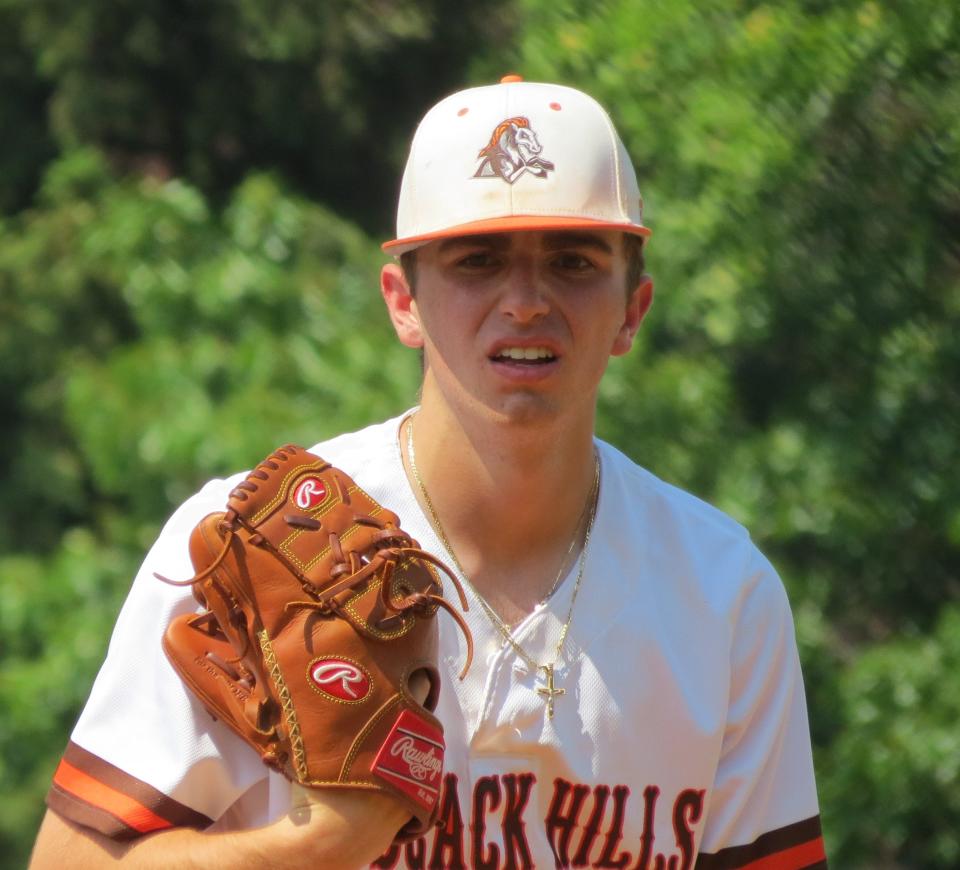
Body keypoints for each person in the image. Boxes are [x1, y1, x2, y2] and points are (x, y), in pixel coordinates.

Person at [30, 75, 827, 869]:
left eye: (573, 262)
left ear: (633, 310)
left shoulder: (724, 596)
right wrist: (320, 846)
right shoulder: (251, 545)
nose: (525, 301)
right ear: (402, 302)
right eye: (477, 261)